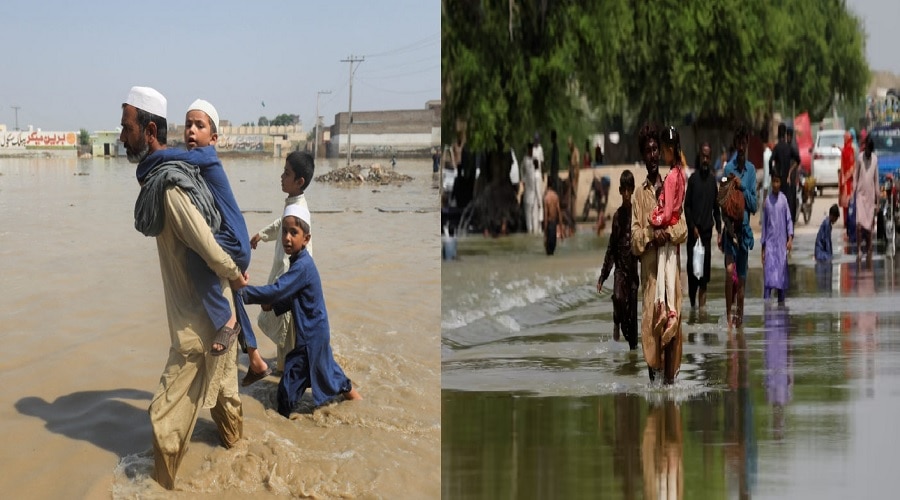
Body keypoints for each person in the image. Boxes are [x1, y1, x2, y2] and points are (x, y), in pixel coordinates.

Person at [121, 86, 245, 489]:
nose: (122, 135)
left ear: (149, 129)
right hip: (216, 316)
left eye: (126, 127)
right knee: (227, 406)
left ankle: (160, 490)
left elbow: (209, 247)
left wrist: (235, 273)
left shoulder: (169, 189)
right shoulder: (161, 180)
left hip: (196, 330)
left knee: (163, 421)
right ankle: (242, 471)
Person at [241, 204, 361, 417]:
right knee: (334, 378)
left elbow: (277, 290)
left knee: (286, 390)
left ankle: (281, 423)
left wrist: (242, 293)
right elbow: (294, 297)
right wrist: (275, 305)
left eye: (293, 233)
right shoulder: (301, 263)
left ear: (306, 238)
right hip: (317, 332)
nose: (287, 237)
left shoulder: (302, 266)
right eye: (284, 231)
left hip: (310, 337)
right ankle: (361, 407)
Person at [181, 99, 270, 386]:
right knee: (235, 296)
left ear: (214, 138)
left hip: (232, 239)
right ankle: (255, 360)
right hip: (237, 240)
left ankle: (225, 321)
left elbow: (172, 158)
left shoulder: (205, 157)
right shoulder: (200, 163)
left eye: (199, 125)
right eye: (188, 125)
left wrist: (150, 157)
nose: (191, 131)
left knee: (193, 257)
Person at [251, 151, 316, 375]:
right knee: (284, 339)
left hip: (288, 287)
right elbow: (280, 222)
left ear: (300, 182)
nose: (281, 176)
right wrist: (262, 234)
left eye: (286, 173)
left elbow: (297, 264)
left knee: (288, 337)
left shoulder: (301, 212)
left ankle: (287, 378)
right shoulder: (292, 203)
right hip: (283, 284)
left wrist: (277, 293)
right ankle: (285, 373)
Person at [631, 123, 687, 384]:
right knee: (652, 352)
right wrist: (652, 236)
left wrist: (668, 233)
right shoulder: (637, 198)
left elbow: (682, 229)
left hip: (671, 282)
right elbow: (634, 241)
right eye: (648, 151)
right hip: (651, 286)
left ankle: (670, 411)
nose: (653, 155)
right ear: (643, 155)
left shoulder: (672, 184)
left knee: (672, 348)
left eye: (656, 150)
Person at [719, 125, 758, 327]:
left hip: (744, 233)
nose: (741, 147)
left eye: (744, 143)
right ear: (736, 145)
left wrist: (742, 187)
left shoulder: (751, 171)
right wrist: (726, 230)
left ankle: (739, 322)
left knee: (741, 285)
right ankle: (728, 319)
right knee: (728, 271)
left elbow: (754, 205)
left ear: (747, 144)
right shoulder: (727, 169)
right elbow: (722, 202)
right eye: (739, 144)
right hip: (730, 231)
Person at [648, 127, 686, 333]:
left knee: (665, 268)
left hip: (668, 227)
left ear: (670, 149)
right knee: (671, 268)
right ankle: (668, 311)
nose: (662, 154)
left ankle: (665, 309)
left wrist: (654, 219)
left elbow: (669, 209)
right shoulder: (681, 174)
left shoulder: (671, 177)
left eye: (663, 150)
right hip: (676, 227)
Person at [598, 170, 639, 349]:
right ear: (620, 191)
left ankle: (632, 357)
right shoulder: (617, 217)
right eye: (624, 190)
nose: (627, 194)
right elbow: (611, 248)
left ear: (633, 189)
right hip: (620, 271)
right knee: (618, 298)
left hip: (633, 273)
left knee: (632, 323)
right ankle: (616, 319)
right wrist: (603, 276)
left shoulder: (638, 216)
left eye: (630, 190)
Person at [684, 141, 721, 309]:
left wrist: (719, 231)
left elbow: (716, 208)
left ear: (710, 158)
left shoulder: (713, 182)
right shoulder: (692, 180)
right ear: (699, 157)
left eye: (708, 157)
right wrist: (692, 226)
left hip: (706, 237)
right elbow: (687, 206)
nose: (705, 159)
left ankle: (702, 313)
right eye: (703, 156)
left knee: (704, 278)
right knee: (693, 278)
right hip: (693, 237)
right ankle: (693, 309)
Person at [761, 169, 793, 305]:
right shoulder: (767, 202)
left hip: (780, 247)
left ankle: (781, 307)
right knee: (768, 279)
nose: (775, 184)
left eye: (777, 181)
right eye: (773, 181)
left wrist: (790, 239)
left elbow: (789, 220)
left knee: (780, 278)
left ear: (780, 183)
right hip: (770, 246)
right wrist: (763, 248)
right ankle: (767, 308)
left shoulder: (783, 200)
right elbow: (764, 226)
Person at [854, 135, 879, 263]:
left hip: (870, 197)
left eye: (870, 150)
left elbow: (876, 180)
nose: (868, 153)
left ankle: (869, 249)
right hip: (860, 195)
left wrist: (878, 200)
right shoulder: (859, 158)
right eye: (867, 150)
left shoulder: (875, 160)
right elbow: (855, 176)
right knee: (858, 225)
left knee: (869, 228)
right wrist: (853, 192)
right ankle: (859, 249)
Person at [521, 142, 543, 235]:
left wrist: (538, 201)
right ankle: (530, 233)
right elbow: (522, 169)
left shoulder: (535, 163)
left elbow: (537, 189)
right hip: (528, 196)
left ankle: (533, 234)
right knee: (528, 221)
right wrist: (523, 180)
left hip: (533, 198)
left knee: (534, 222)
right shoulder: (525, 160)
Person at [840, 131, 855, 239]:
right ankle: (845, 221)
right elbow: (842, 165)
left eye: (846, 137)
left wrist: (846, 177)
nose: (844, 139)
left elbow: (852, 165)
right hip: (844, 178)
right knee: (844, 202)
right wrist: (842, 177)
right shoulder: (844, 150)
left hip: (849, 180)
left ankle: (849, 221)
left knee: (849, 201)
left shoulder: (851, 151)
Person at [543, 182, 563, 256]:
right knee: (553, 249)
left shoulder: (546, 198)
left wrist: (545, 232)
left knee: (548, 251)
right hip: (554, 224)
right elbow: (559, 212)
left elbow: (545, 215)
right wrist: (561, 229)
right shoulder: (555, 196)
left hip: (549, 224)